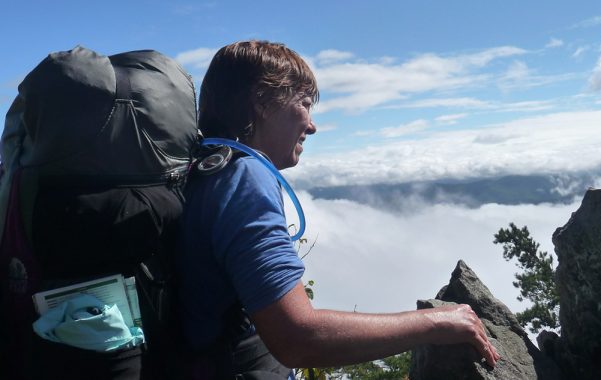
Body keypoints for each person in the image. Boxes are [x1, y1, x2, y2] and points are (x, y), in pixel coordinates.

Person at [176, 40, 500, 379]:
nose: (312, 126)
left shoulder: (199, 169)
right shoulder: (244, 177)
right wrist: (435, 322)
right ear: (261, 100)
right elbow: (298, 337)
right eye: (304, 104)